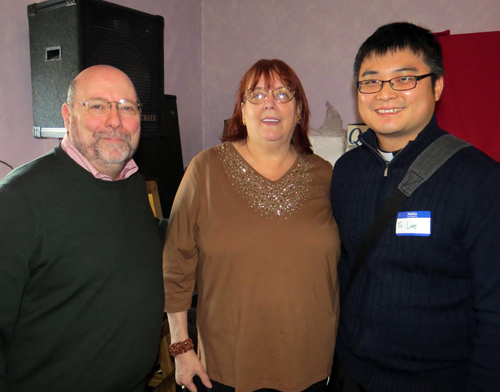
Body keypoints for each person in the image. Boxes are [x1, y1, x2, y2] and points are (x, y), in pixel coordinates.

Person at [329, 22, 500, 392]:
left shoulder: (481, 180)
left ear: (437, 85)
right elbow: (345, 266)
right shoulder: (345, 172)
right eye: (370, 81)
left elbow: (495, 309)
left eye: (404, 79)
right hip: (352, 374)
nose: (384, 94)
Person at [163, 59, 341, 392]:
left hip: (310, 364)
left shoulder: (326, 175)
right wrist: (181, 348)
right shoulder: (205, 170)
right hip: (225, 366)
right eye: (256, 95)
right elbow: (177, 263)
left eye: (283, 94)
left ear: (299, 111)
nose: (270, 103)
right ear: (242, 112)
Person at [0, 65, 165, 392]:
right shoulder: (18, 200)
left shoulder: (129, 180)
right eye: (98, 105)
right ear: (67, 115)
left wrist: (204, 229)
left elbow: (139, 236)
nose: (115, 120)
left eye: (127, 107)